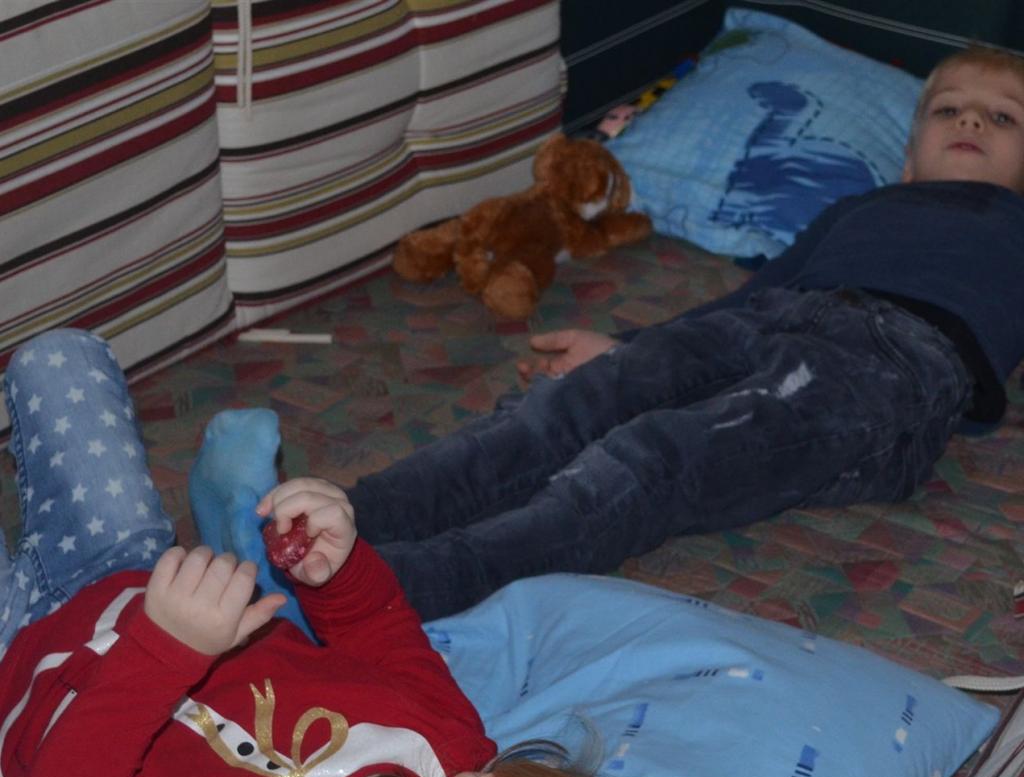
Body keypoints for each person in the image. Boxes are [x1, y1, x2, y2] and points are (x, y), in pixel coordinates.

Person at [0, 329, 741, 777]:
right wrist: (337, 564)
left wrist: (167, 649)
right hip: (125, 565)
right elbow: (377, 627)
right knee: (60, 359)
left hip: (8, 689)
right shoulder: (443, 741)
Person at [332, 44, 1024, 622]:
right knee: (564, 408)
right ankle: (346, 517)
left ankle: (418, 582)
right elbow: (756, 294)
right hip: (773, 317)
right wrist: (628, 349)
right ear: (908, 160)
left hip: (894, 366)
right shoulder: (861, 206)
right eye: (948, 109)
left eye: (1002, 116)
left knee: (656, 456)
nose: (970, 119)